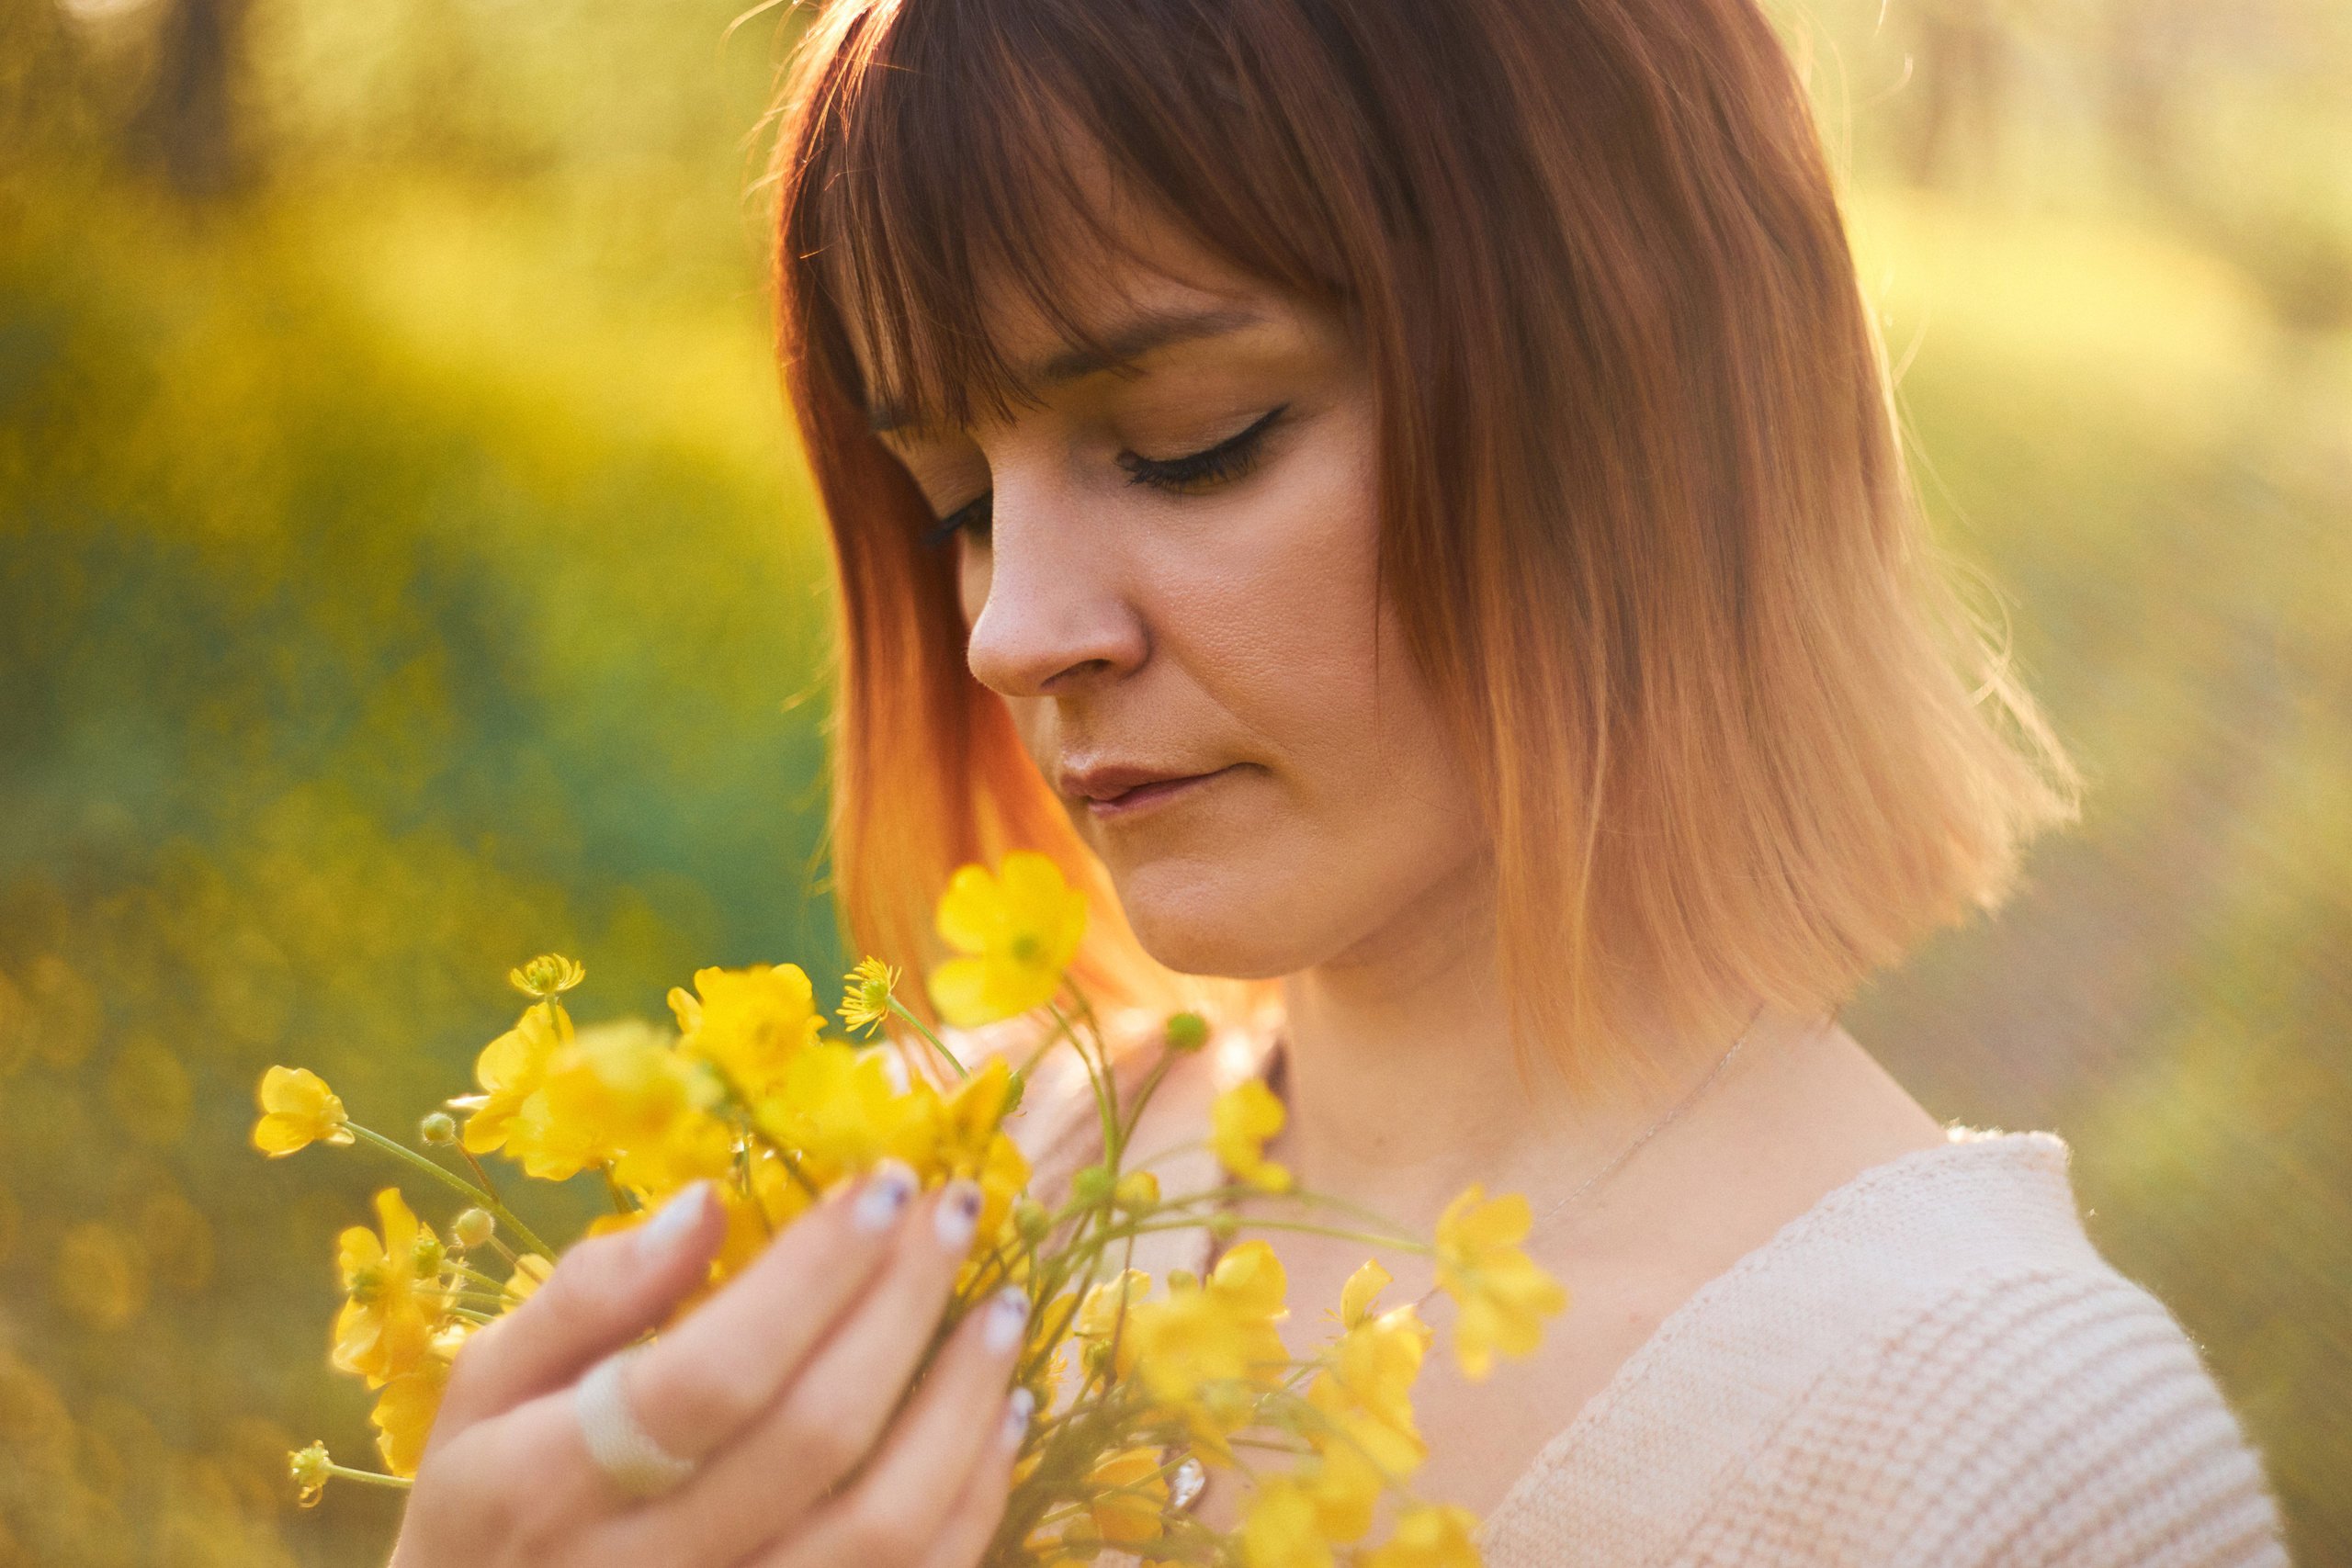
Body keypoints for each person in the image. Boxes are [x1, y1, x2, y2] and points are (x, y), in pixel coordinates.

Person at [385, 0, 2289, 1563]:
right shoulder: (919, 1227)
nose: (1005, 628)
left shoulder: (2015, 1462)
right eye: (955, 501)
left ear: (1633, 389)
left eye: (1190, 441)